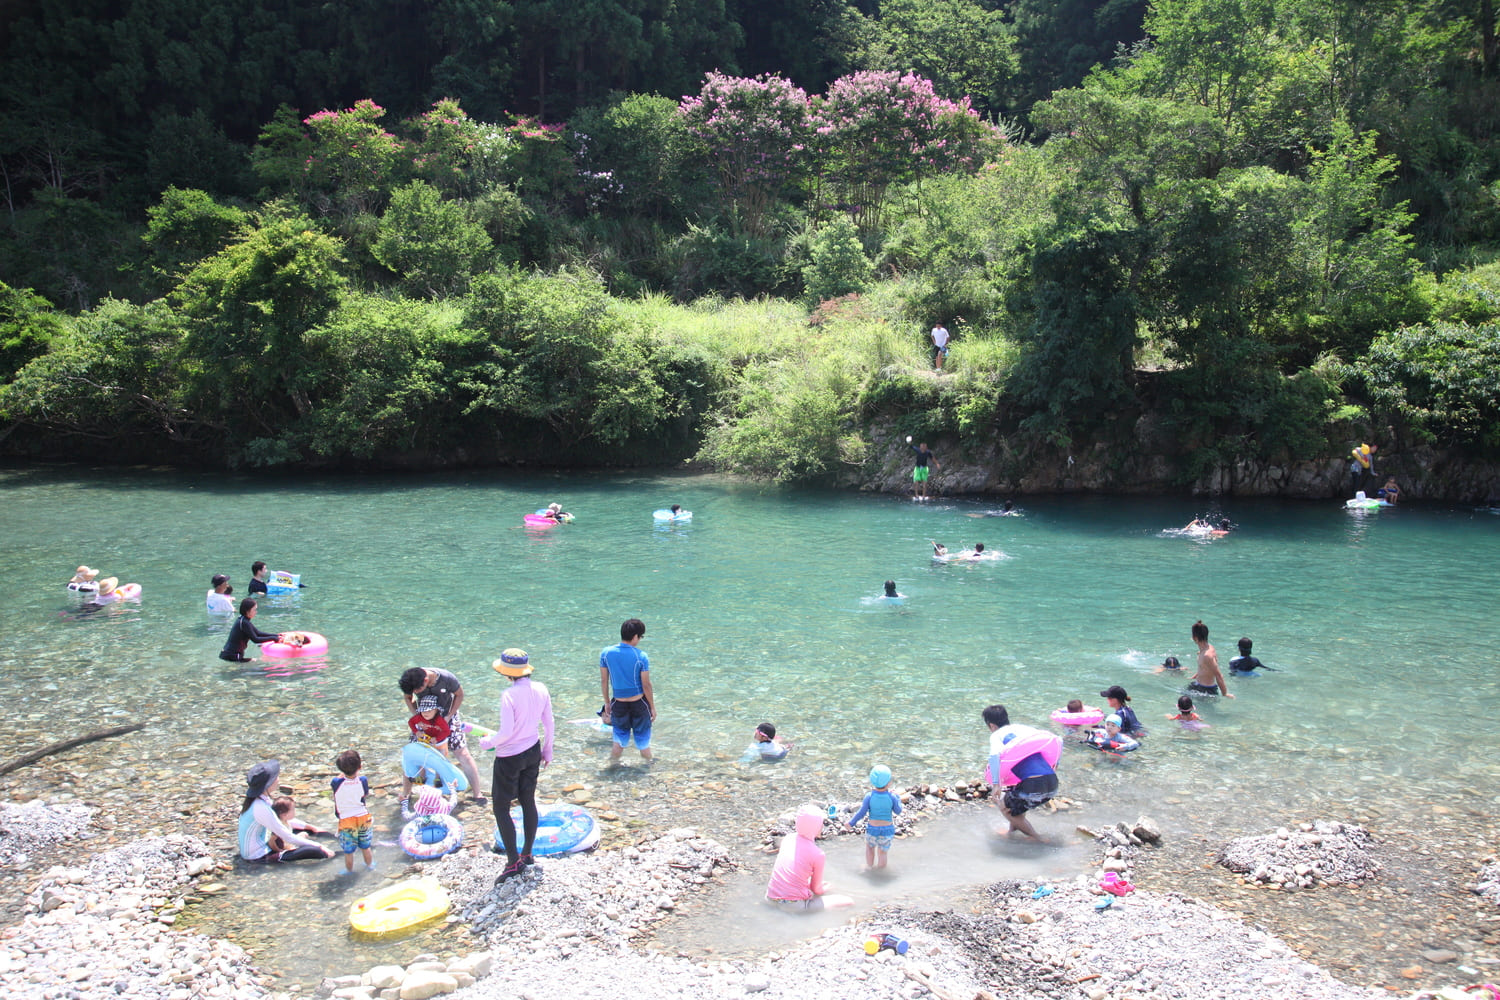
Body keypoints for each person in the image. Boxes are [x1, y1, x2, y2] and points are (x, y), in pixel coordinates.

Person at [480, 649, 555, 884]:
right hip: (533, 750)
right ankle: (527, 854)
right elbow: (549, 722)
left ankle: (513, 862)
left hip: (509, 756)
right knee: (527, 801)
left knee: (501, 807)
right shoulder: (541, 688)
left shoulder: (508, 695)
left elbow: (506, 732)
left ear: (507, 673)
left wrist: (488, 743)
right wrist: (548, 749)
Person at [398, 667, 485, 806]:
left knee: (462, 753)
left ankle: (477, 794)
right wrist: (416, 716)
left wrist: (449, 716)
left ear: (426, 681)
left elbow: (460, 694)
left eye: (417, 691)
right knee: (413, 753)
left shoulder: (447, 678)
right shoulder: (412, 681)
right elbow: (408, 697)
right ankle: (406, 794)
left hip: (447, 716)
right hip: (424, 718)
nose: (415, 693)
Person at [982, 705, 1059, 840]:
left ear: (991, 725)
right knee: (1016, 805)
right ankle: (1011, 833)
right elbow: (1058, 740)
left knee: (1003, 807)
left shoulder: (996, 735)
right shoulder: (1025, 729)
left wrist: (996, 784)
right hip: (1052, 782)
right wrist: (1055, 765)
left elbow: (994, 757)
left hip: (1033, 784)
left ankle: (1036, 838)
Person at [237, 760, 333, 863]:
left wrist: (310, 827)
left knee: (308, 830)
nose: (278, 780)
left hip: (265, 845)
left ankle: (337, 839)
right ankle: (338, 855)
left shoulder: (260, 799)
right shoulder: (260, 808)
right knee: (316, 851)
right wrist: (320, 846)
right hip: (258, 856)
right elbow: (287, 836)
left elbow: (283, 819)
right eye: (276, 777)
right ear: (268, 784)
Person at [766, 804, 853, 910]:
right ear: (816, 827)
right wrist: (824, 889)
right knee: (848, 901)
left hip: (770, 899)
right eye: (821, 824)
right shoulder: (818, 854)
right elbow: (816, 890)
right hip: (794, 906)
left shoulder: (788, 839)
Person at [600, 618, 655, 765]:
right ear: (636, 636)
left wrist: (607, 702)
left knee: (619, 740)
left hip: (618, 703)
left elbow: (604, 681)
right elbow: (646, 685)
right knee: (643, 740)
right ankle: (649, 767)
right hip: (639, 703)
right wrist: (652, 707)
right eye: (640, 637)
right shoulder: (641, 656)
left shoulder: (606, 653)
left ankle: (612, 767)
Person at [328, 749, 375, 874]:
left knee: (349, 851)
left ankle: (349, 871)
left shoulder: (336, 782)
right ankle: (370, 866)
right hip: (363, 816)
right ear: (360, 766)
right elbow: (365, 794)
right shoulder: (363, 780)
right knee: (365, 846)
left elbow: (338, 780)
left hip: (346, 820)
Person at [847, 764, 902, 869]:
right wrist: (898, 797)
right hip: (887, 830)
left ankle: (869, 867)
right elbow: (898, 811)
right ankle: (880, 873)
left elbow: (861, 812)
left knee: (869, 848)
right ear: (889, 783)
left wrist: (851, 823)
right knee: (882, 853)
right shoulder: (892, 797)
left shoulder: (869, 796)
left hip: (873, 829)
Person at [220, 598, 297, 662]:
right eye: (254, 610)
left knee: (256, 662)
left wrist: (276, 635)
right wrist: (273, 638)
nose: (256, 612)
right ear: (248, 611)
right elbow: (256, 639)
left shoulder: (243, 620)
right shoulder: (244, 623)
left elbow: (258, 633)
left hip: (228, 654)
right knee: (256, 662)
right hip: (232, 656)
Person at [1189, 620, 1234, 698]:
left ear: (1194, 638)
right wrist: (1195, 676)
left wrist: (1225, 693)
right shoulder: (1205, 649)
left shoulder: (1207, 655)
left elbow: (1218, 675)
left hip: (1206, 690)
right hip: (1197, 684)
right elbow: (1204, 667)